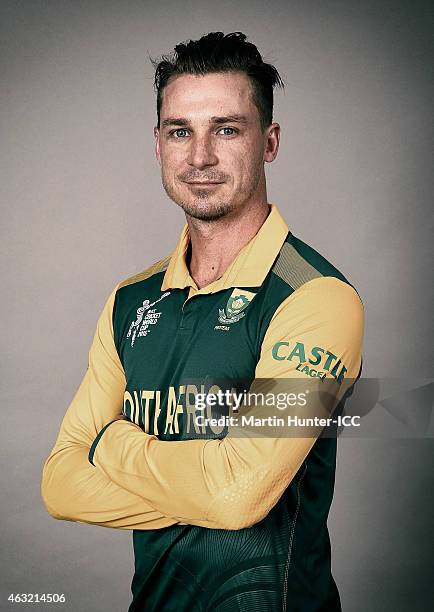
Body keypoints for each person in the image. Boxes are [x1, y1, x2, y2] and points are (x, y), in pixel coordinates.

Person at [41, 32, 364, 611]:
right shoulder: (129, 301)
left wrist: (111, 445)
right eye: (180, 131)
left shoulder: (316, 299)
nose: (200, 156)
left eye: (228, 129)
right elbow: (60, 483)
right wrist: (212, 487)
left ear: (270, 142)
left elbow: (238, 497)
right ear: (158, 144)